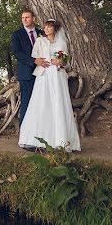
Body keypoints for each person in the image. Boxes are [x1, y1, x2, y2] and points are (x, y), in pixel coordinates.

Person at [18, 18, 81, 152]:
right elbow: (36, 56)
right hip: (45, 74)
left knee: (59, 103)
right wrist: (49, 60)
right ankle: (36, 139)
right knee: (42, 103)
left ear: (55, 29)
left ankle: (60, 140)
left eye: (49, 27)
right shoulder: (40, 41)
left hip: (58, 75)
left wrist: (62, 62)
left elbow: (65, 60)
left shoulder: (62, 42)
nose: (46, 29)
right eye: (45, 27)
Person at [10, 8, 48, 123]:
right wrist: (33, 61)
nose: (24, 19)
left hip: (43, 73)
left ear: (33, 19)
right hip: (26, 73)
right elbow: (17, 52)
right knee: (27, 102)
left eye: (27, 17)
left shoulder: (41, 33)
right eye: (23, 18)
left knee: (42, 102)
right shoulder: (17, 34)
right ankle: (25, 133)